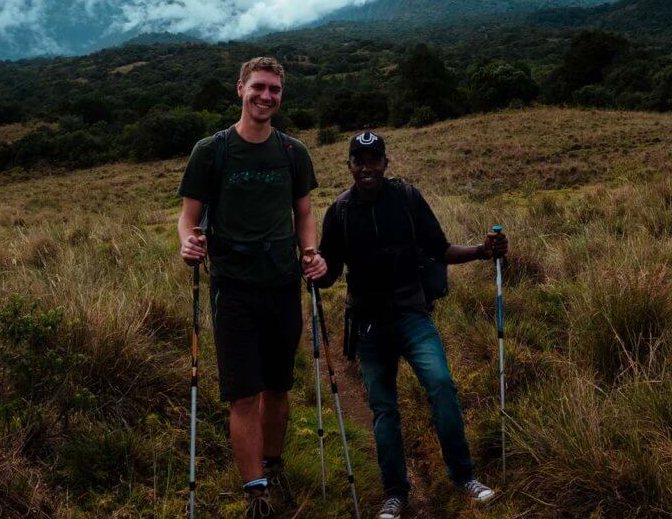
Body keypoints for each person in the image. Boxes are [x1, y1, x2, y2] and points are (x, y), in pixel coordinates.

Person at [312, 130, 508, 519]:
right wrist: (312, 270)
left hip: (412, 315)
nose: (367, 167)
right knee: (384, 408)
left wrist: (482, 252)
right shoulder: (340, 213)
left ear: (386, 163)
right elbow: (330, 273)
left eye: (374, 160)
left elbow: (439, 249)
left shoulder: (406, 198)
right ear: (349, 165)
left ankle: (464, 477)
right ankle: (395, 494)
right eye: (359, 160)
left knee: (441, 386)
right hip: (368, 326)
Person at [178, 56, 326, 519]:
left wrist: (310, 254)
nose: (266, 97)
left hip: (282, 284)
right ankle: (256, 491)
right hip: (234, 288)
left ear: (281, 95)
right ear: (240, 89)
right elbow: (188, 217)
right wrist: (188, 244)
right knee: (243, 393)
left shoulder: (293, 153)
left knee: (278, 387)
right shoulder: (212, 151)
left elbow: (304, 214)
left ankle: (274, 465)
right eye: (258, 87)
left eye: (275, 90)